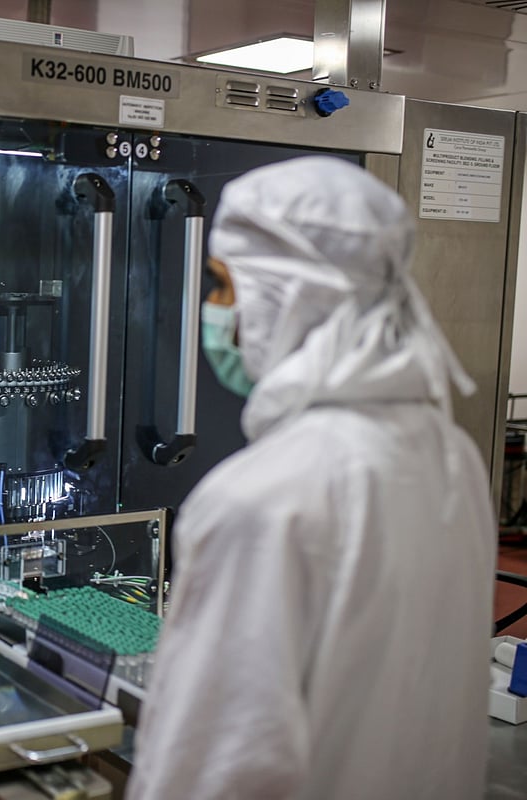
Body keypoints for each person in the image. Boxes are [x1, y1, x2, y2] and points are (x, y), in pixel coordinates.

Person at [127, 157, 495, 799]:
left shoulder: (266, 496)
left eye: (223, 285)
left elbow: (213, 764)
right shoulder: (453, 458)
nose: (213, 309)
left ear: (288, 295)